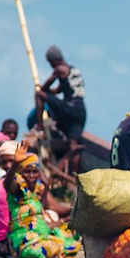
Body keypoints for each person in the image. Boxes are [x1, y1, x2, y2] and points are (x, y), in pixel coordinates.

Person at [3, 145, 81, 258]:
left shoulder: (37, 191)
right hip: (25, 241)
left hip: (41, 235)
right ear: (20, 172)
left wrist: (70, 216)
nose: (31, 175)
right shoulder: (18, 190)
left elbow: (41, 222)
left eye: (35, 171)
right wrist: (15, 164)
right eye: (27, 171)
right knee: (53, 248)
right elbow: (8, 184)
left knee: (75, 235)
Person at [33, 45, 87, 174]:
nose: (51, 66)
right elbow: (57, 91)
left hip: (70, 107)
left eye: (51, 63)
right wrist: (51, 93)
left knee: (39, 95)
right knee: (74, 145)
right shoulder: (73, 70)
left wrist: (40, 88)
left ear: (55, 60)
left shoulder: (59, 69)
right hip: (81, 111)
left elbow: (45, 88)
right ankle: (75, 177)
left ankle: (39, 126)